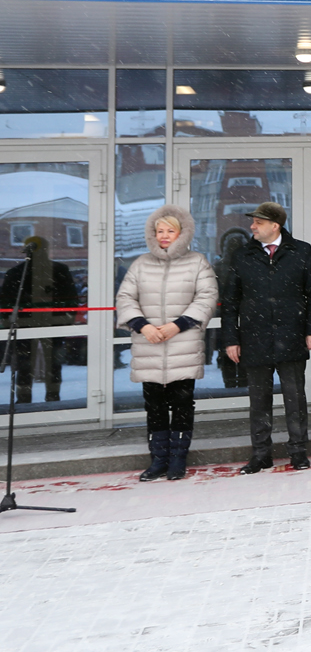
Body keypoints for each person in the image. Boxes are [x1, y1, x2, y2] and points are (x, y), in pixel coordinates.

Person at [115, 205, 217, 481]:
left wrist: (178, 324)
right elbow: (125, 298)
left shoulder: (197, 262)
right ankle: (158, 459)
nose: (164, 236)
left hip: (182, 344)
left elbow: (207, 297)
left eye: (170, 231)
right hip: (149, 345)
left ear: (181, 233)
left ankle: (177, 460)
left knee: (182, 405)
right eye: (159, 231)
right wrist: (142, 325)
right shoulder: (140, 264)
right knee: (154, 406)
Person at [220, 201, 311, 474]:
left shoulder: (300, 251)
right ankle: (261, 454)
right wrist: (231, 339)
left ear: (275, 226)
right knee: (259, 402)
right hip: (254, 338)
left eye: (258, 222)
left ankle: (299, 452)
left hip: (292, 336)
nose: (252, 226)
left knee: (295, 399)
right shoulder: (243, 255)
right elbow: (230, 301)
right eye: (253, 222)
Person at [1, 235, 77, 403]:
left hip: (52, 324)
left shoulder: (58, 270)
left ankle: (51, 396)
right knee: (25, 364)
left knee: (51, 365)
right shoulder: (16, 273)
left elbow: (71, 298)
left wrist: (66, 319)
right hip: (27, 325)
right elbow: (5, 301)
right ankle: (24, 399)